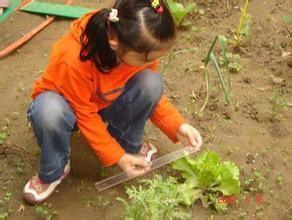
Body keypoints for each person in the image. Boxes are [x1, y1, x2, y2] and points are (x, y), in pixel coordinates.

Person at [22, 0, 203, 204]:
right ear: (114, 42)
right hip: (68, 107)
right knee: (49, 111)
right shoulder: (73, 59)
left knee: (151, 82)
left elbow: (150, 92)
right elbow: (84, 114)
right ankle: (55, 168)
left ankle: (124, 143)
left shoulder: (134, 44)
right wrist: (117, 158)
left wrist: (178, 126)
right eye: (146, 59)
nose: (150, 62)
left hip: (103, 101)